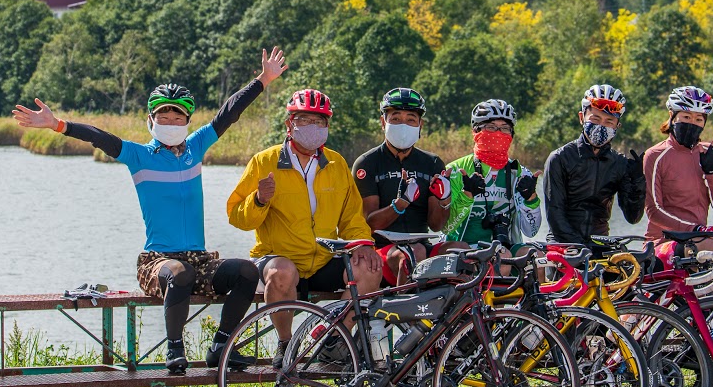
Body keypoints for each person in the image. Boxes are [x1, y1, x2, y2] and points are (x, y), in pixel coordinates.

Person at [11, 47, 287, 375]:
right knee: (179, 273)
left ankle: (221, 346)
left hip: (199, 258)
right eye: (163, 118)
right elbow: (99, 137)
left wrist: (263, 80)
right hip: (159, 261)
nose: (171, 123)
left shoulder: (195, 148)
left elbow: (228, 113)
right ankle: (175, 349)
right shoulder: (139, 156)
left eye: (177, 118)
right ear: (151, 120)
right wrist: (58, 124)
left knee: (246, 271)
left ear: (187, 121)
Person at [226, 87, 382, 352]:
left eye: (319, 121)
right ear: (289, 124)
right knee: (281, 273)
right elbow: (237, 216)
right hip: (279, 257)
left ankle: (335, 339)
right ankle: (286, 345)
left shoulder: (336, 164)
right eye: (304, 120)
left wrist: (364, 244)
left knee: (369, 269)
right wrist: (259, 200)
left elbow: (352, 217)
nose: (312, 126)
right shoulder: (264, 161)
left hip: (322, 257)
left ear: (327, 125)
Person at [353, 87, 450, 283]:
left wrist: (445, 198)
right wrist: (401, 204)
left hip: (422, 245)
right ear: (383, 122)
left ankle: (458, 313)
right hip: (382, 251)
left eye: (411, 119)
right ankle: (406, 311)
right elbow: (369, 224)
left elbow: (436, 225)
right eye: (395, 119)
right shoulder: (366, 164)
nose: (403, 124)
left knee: (462, 251)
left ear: (420, 125)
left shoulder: (432, 163)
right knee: (413, 253)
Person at [542, 84, 646, 246]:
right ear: (582, 118)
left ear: (617, 126)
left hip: (600, 243)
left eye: (609, 121)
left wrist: (638, 183)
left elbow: (633, 217)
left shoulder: (619, 163)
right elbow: (555, 214)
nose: (601, 126)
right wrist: (581, 248)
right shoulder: (559, 158)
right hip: (562, 243)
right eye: (595, 119)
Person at [644, 85, 713, 251]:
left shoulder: (710, 153)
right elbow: (653, 211)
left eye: (698, 119)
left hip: (698, 236)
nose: (692, 123)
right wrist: (694, 229)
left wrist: (711, 172)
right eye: (686, 117)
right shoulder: (655, 155)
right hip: (662, 242)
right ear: (672, 116)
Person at [443, 99, 541, 247]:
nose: (498, 133)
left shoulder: (520, 173)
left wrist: (531, 200)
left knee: (532, 254)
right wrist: (467, 195)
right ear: (475, 132)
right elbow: (446, 228)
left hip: (504, 250)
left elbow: (531, 232)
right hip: (462, 249)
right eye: (491, 127)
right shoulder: (456, 171)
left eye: (505, 128)